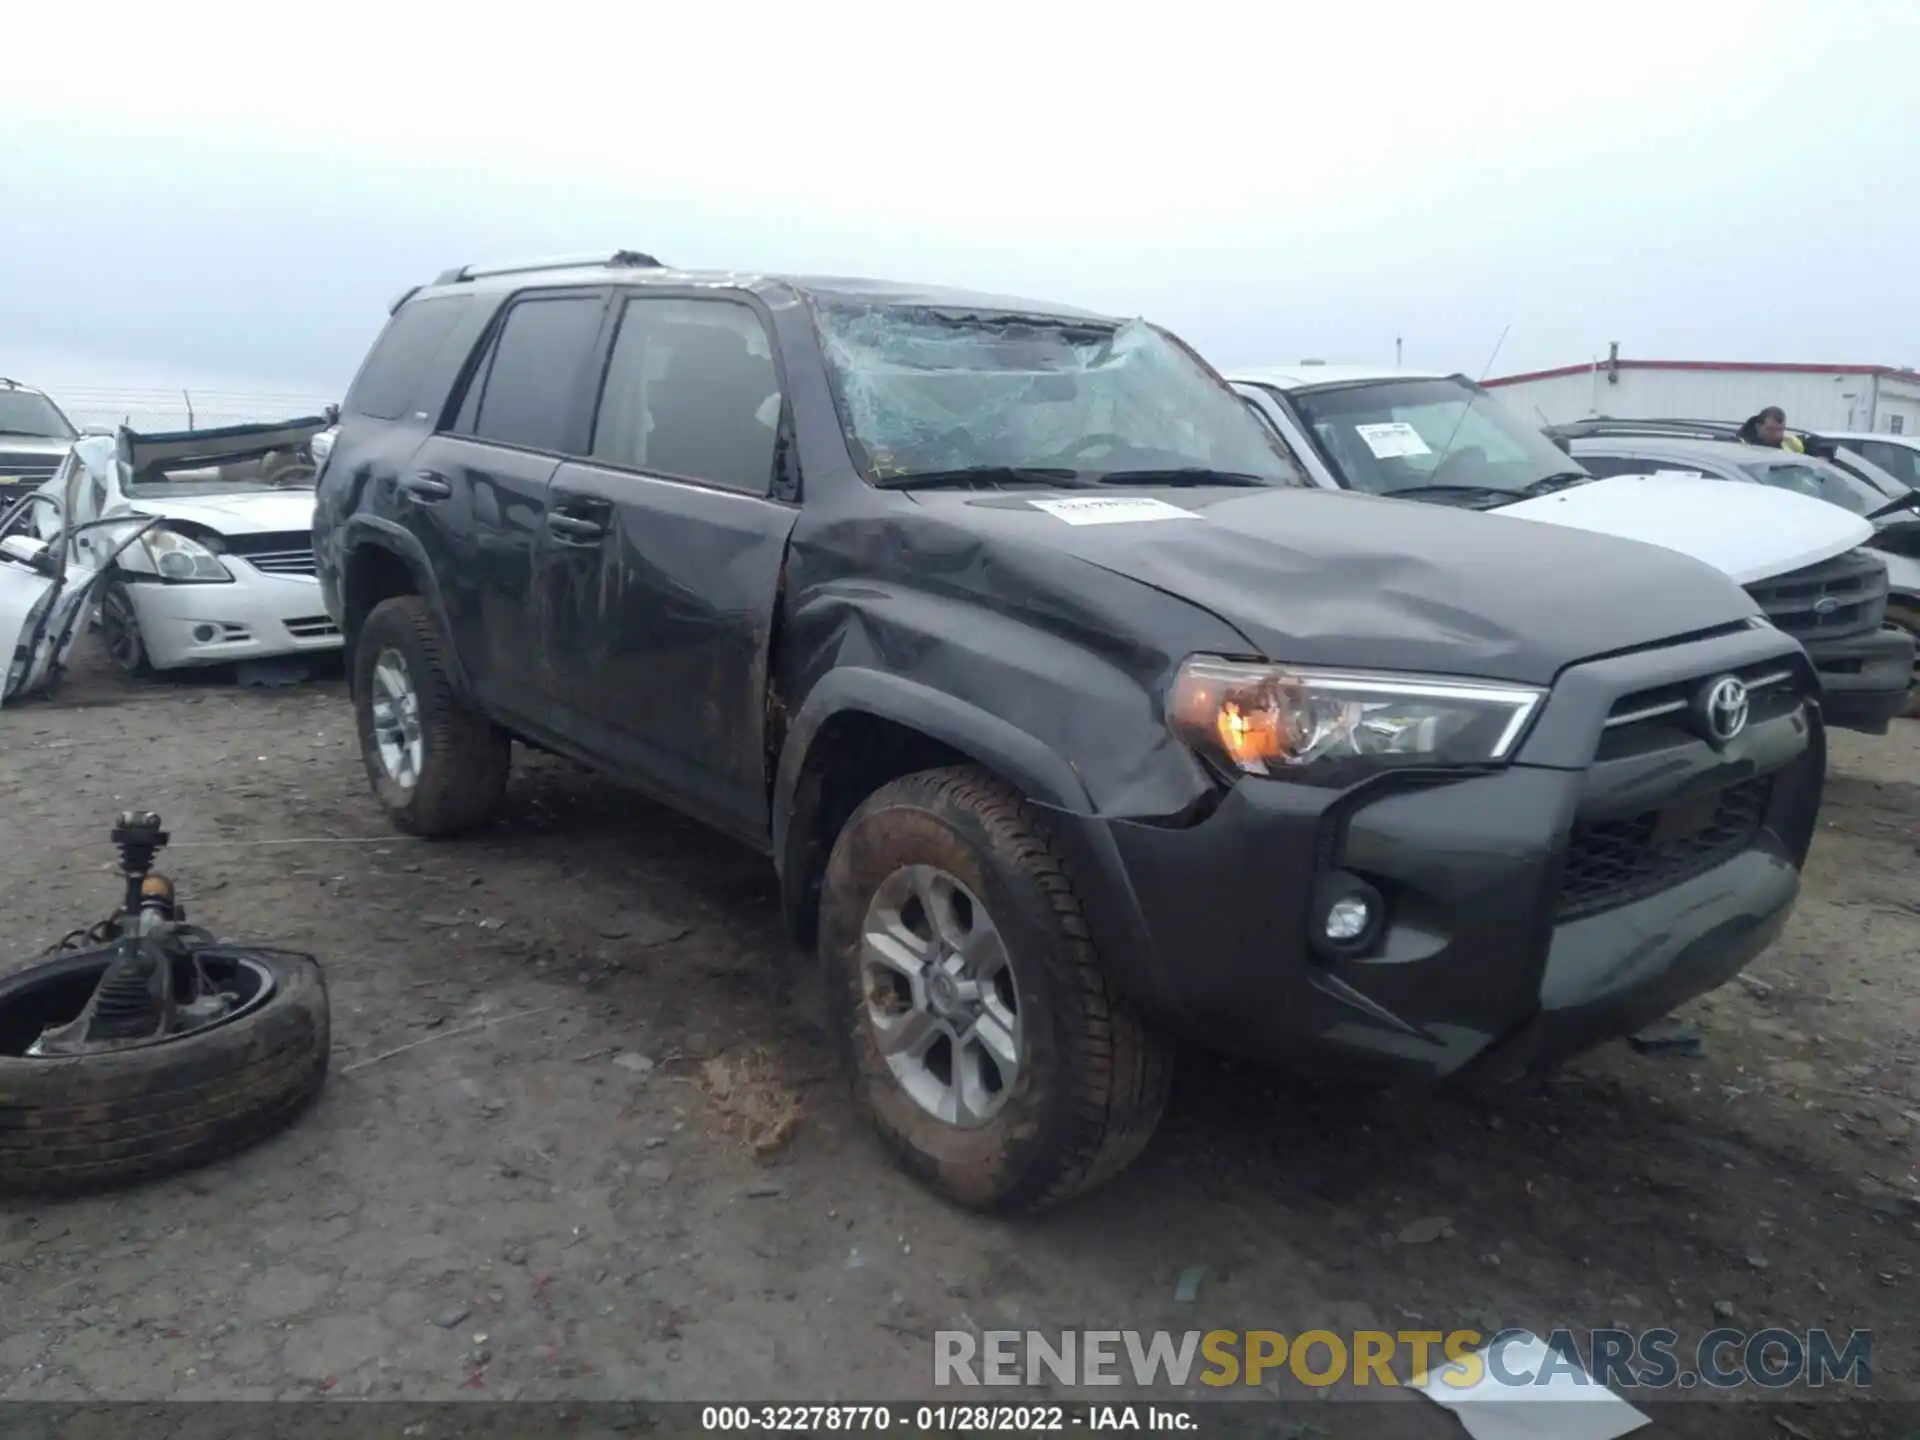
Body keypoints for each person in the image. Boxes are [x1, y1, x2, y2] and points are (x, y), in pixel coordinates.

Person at [1736, 406, 1805, 452]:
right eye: (1771, 430)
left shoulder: (1790, 443)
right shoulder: (1742, 445)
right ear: (1758, 427)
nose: (1777, 435)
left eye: (1780, 430)